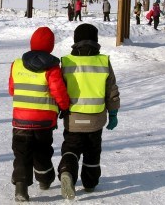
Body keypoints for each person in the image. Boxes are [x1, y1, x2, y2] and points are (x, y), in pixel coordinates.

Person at [57, 23, 120, 200]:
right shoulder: (103, 61)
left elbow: (59, 90)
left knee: (71, 148)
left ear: (75, 41)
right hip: (96, 119)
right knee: (92, 151)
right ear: (96, 41)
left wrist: (55, 113)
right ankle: (90, 183)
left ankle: (67, 171)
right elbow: (111, 90)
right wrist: (113, 113)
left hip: (73, 118)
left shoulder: (67, 61)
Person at [8, 27, 70, 202]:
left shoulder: (17, 64)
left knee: (21, 154)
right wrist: (64, 107)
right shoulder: (52, 67)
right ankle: (45, 180)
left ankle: (21, 185)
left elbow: (12, 90)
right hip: (44, 122)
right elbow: (59, 91)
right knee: (42, 151)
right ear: (50, 46)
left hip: (20, 121)